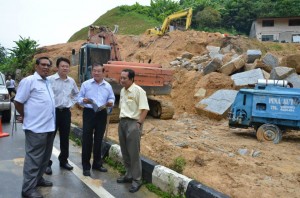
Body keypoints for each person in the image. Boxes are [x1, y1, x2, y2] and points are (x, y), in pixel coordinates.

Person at [14, 57, 55, 198]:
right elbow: (18, 102)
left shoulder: (47, 82)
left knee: (44, 158)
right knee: (33, 160)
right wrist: (26, 115)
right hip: (36, 128)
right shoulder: (29, 81)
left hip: (49, 127)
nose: (46, 67)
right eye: (43, 64)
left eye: (48, 65)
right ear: (36, 66)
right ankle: (28, 189)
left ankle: (38, 180)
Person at [77, 63, 115, 177]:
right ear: (92, 72)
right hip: (89, 113)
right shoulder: (86, 84)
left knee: (99, 139)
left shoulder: (107, 86)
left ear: (103, 73)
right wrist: (84, 100)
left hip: (101, 113)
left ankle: (97, 164)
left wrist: (110, 103)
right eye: (94, 71)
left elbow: (112, 97)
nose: (96, 73)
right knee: (87, 139)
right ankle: (86, 166)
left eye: (99, 71)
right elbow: (78, 98)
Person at [45, 57, 79, 175]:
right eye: (62, 66)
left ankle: (63, 160)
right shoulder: (49, 80)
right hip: (52, 112)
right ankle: (46, 163)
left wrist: (71, 104)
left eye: (67, 66)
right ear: (57, 67)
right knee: (49, 138)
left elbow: (76, 94)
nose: (65, 68)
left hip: (65, 113)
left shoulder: (71, 81)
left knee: (65, 138)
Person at [117, 69, 149, 193]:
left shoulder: (139, 91)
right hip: (123, 122)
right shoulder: (122, 90)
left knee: (134, 153)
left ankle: (137, 180)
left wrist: (139, 124)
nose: (122, 80)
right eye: (121, 78)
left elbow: (145, 109)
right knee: (125, 150)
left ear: (131, 79)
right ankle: (128, 174)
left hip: (133, 123)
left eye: (124, 78)